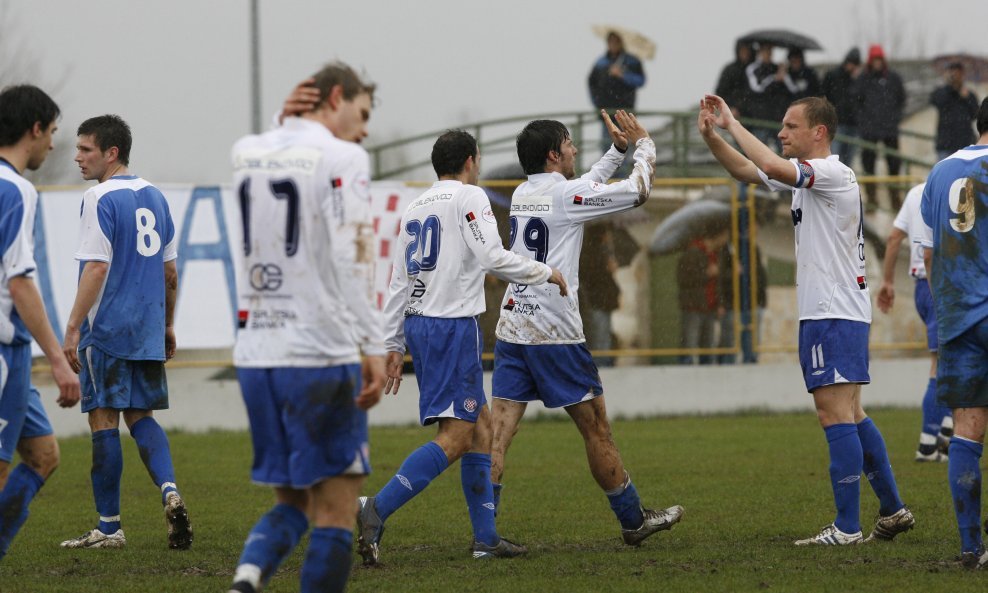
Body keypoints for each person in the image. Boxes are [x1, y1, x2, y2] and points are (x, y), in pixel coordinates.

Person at [698, 93, 914, 545]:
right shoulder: (810, 179)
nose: (781, 134)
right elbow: (746, 171)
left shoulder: (830, 172)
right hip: (839, 309)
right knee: (852, 412)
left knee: (832, 413)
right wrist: (713, 137)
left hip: (831, 312)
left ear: (819, 132)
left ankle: (848, 528)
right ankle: (893, 510)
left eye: (790, 126)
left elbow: (774, 168)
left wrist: (732, 123)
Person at [357, 130, 567, 565]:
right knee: (455, 436)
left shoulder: (416, 207)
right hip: (451, 326)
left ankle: (485, 539)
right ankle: (375, 509)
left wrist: (394, 341)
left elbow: (400, 280)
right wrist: (543, 271)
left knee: (482, 430)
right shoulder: (470, 198)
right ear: (471, 161)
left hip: (421, 325)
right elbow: (492, 256)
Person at [490, 110, 685, 547]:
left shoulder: (524, 192)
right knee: (596, 428)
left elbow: (582, 187)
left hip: (513, 324)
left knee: (499, 432)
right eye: (570, 143)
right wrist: (642, 144)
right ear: (554, 155)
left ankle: (485, 531)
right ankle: (633, 519)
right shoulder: (566, 194)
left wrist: (615, 151)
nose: (576, 149)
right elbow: (637, 191)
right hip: (554, 332)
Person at [227, 62, 386, 593]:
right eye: (361, 113)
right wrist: (373, 343)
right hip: (319, 352)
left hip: (257, 358)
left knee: (292, 503)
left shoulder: (246, 150)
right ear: (335, 96)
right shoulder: (344, 157)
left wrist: (280, 117)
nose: (364, 129)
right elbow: (355, 256)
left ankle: (247, 578)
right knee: (337, 509)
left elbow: (281, 150)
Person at [57, 115, 191, 552]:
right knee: (142, 417)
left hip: (109, 327)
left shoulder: (98, 198)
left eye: (85, 149)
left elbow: (96, 268)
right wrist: (169, 323)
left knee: (103, 419)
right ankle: (170, 491)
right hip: (148, 326)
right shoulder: (156, 196)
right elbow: (170, 272)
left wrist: (74, 327)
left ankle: (110, 528)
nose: (77, 157)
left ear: (111, 153)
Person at [0, 85, 81, 561]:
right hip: (5, 354)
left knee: (44, 456)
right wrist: (59, 359)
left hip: (12, 361)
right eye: (51, 132)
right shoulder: (16, 190)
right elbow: (21, 283)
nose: (52, 144)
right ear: (34, 129)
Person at [918, 97, 988, 568]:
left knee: (966, 430)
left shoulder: (940, 171)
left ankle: (970, 547)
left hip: (959, 319)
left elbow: (927, 254)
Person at [877, 182, 953, 461]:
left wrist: (887, 280)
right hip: (940, 284)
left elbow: (894, 238)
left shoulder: (915, 192)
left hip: (921, 288)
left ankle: (939, 437)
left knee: (947, 361)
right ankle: (932, 441)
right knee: (941, 363)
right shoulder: (955, 187)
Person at [854, 44, 906, 211]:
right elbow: (856, 101)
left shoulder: (893, 78)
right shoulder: (863, 79)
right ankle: (872, 199)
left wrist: (894, 117)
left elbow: (901, 99)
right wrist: (864, 120)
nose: (877, 62)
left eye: (879, 59)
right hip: (869, 129)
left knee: (894, 164)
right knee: (868, 163)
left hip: (889, 128)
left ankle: (895, 198)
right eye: (874, 59)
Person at [588, 31, 646, 155]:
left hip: (625, 110)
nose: (613, 44)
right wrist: (596, 102)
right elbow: (592, 83)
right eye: (611, 42)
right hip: (607, 111)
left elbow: (640, 80)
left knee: (625, 144)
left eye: (616, 41)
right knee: (607, 146)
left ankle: (624, 173)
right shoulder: (601, 63)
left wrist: (622, 75)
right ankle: (610, 173)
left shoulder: (632, 61)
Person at [677, 229, 728, 364]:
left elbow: (717, 284)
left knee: (708, 346)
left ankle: (706, 373)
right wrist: (706, 274)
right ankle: (686, 371)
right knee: (690, 344)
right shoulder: (693, 253)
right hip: (694, 307)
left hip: (709, 307)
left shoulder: (715, 255)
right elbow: (684, 279)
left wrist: (719, 303)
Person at [578, 222, 621, 367]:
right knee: (600, 335)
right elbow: (594, 278)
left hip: (603, 302)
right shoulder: (593, 254)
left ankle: (603, 362)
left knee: (603, 334)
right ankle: (600, 365)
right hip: (598, 302)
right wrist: (606, 268)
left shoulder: (600, 252)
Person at [930, 61, 980, 161]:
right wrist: (949, 86)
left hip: (965, 144)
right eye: (953, 73)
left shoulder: (969, 94)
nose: (955, 76)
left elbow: (976, 114)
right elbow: (935, 100)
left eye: (958, 73)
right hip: (945, 144)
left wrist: (967, 98)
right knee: (945, 175)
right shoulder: (942, 92)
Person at [822, 48, 862, 165]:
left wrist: (857, 81)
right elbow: (824, 96)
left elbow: (860, 98)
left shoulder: (858, 80)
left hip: (853, 124)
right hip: (837, 123)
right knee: (835, 157)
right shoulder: (833, 76)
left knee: (848, 160)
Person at [745, 43, 788, 148]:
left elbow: (791, 89)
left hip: (778, 117)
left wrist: (784, 74)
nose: (768, 54)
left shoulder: (777, 68)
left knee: (784, 152)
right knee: (758, 151)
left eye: (770, 51)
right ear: (760, 53)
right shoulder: (753, 68)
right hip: (761, 117)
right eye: (765, 51)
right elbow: (757, 88)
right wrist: (774, 78)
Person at [714, 41, 755, 118]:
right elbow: (720, 93)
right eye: (743, 50)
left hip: (752, 116)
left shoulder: (754, 69)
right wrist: (730, 108)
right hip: (733, 116)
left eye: (747, 50)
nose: (745, 53)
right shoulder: (730, 70)